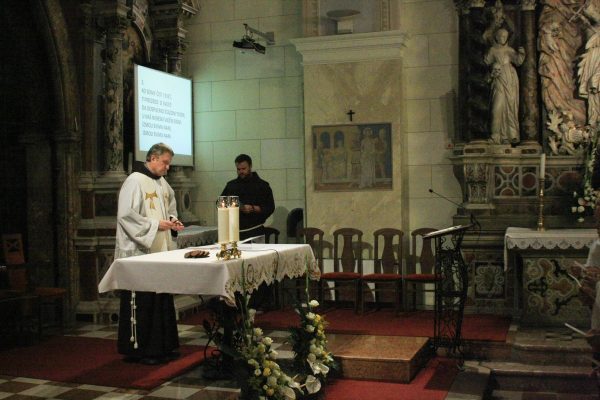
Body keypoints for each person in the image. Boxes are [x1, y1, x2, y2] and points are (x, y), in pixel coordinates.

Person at [115, 142, 184, 365]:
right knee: (144, 302)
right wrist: (156, 225)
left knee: (160, 299)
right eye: (165, 163)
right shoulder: (134, 181)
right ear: (153, 158)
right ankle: (142, 350)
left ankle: (163, 347)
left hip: (159, 251)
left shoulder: (162, 182)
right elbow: (126, 216)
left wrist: (172, 221)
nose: (167, 167)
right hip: (140, 252)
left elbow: (170, 208)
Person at [484, 28, 525, 145]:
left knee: (511, 107)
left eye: (505, 36)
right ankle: (495, 135)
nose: (503, 38)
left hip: (510, 79)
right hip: (498, 78)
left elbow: (518, 61)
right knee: (497, 108)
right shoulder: (492, 50)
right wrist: (493, 69)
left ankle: (511, 135)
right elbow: (486, 62)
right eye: (501, 36)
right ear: (496, 37)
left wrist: (521, 54)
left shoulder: (509, 50)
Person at [221, 154, 275, 241]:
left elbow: (270, 207)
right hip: (235, 232)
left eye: (243, 169)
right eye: (238, 169)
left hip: (255, 231)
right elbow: (219, 203)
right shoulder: (231, 185)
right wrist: (236, 204)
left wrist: (252, 208)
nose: (241, 172)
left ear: (250, 167)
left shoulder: (262, 185)